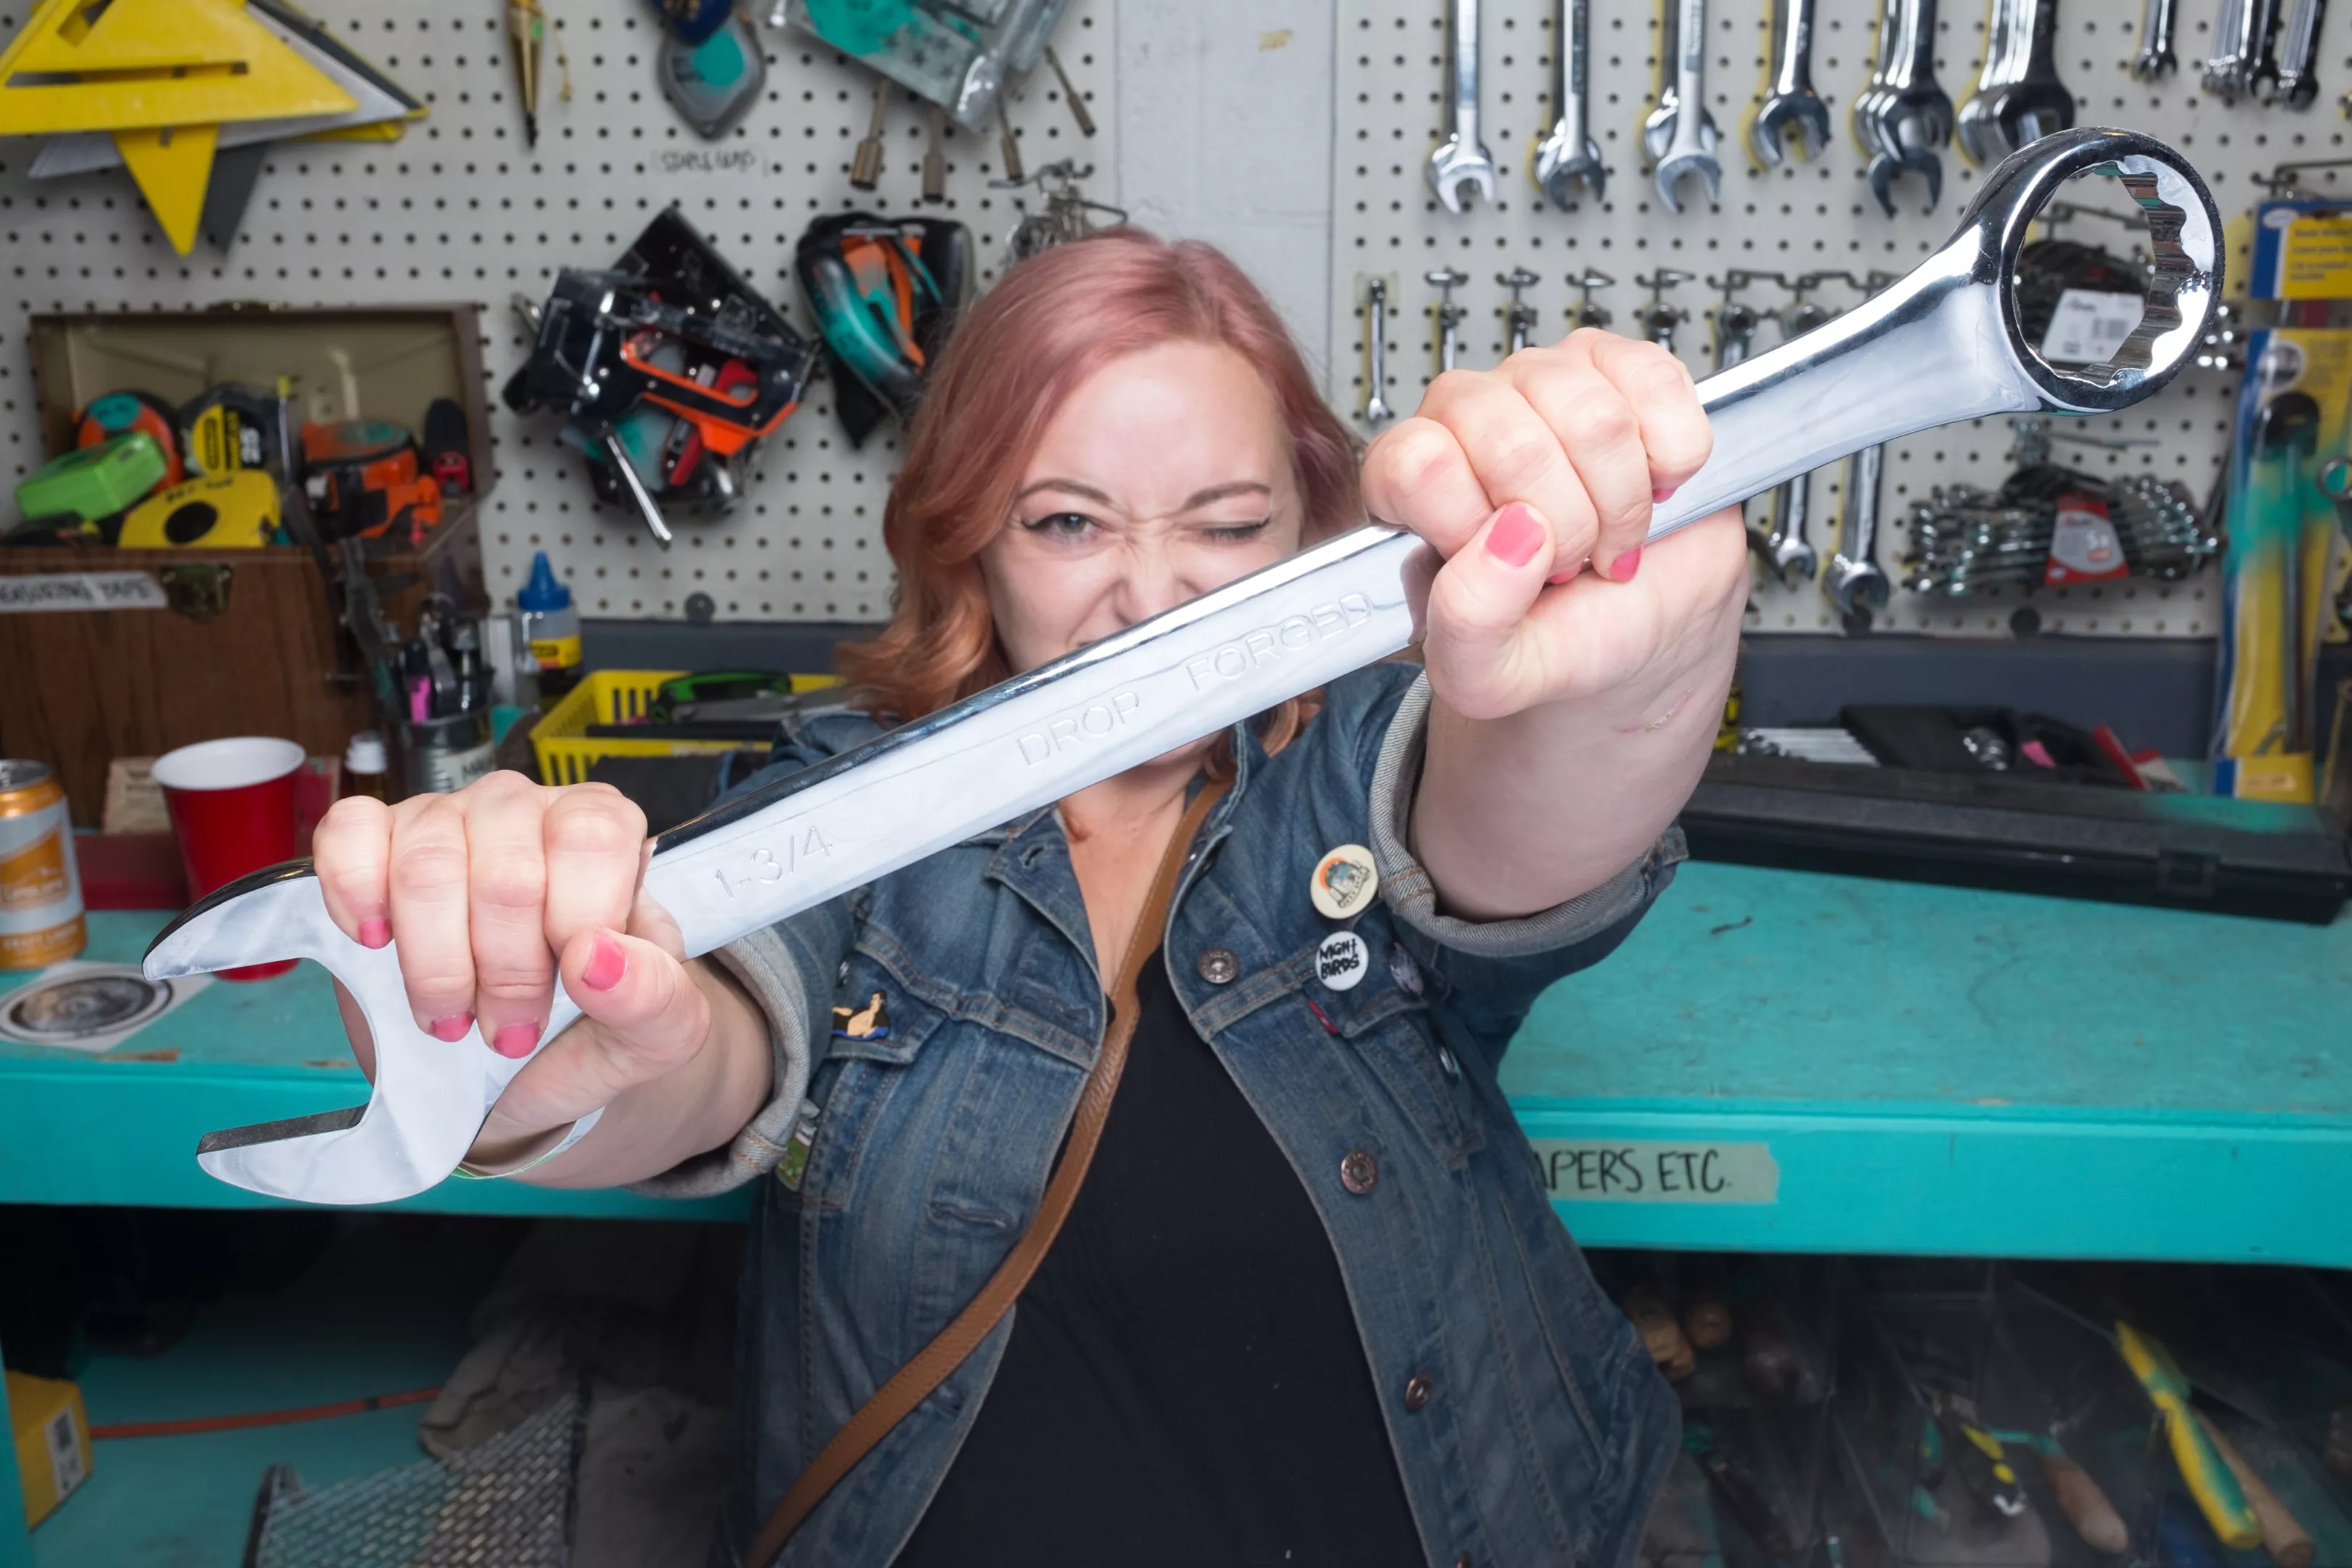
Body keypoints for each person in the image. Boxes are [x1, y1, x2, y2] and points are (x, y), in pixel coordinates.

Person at [311, 230, 1748, 1567]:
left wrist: (1640, 676)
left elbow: (1523, 819)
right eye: (1068, 524)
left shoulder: (1361, 769)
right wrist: (547, 1056)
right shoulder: (853, 802)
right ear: (970, 543)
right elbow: (710, 1032)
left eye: (1226, 526)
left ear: (1310, 532)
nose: (1153, 599)